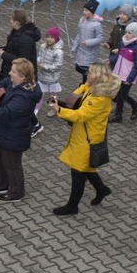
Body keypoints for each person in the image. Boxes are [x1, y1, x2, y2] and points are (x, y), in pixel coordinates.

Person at [47, 62, 121, 216]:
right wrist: (84, 85)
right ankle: (102, 189)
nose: (88, 74)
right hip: (83, 135)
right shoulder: (92, 88)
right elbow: (76, 95)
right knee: (85, 167)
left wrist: (59, 110)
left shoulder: (99, 98)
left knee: (78, 171)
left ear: (99, 77)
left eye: (91, 73)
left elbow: (80, 116)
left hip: (88, 139)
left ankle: (72, 206)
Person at [0, 58, 42, 202]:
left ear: (23, 76)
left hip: (14, 134)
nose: (9, 73)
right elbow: (3, 82)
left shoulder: (25, 95)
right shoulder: (14, 83)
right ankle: (0, 185)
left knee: (12, 164)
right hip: (1, 130)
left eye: (13, 71)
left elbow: (6, 113)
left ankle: (16, 192)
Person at [108, 22, 137, 123]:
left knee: (123, 95)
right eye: (127, 32)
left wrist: (130, 79)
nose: (127, 34)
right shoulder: (123, 42)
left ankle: (136, 106)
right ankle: (118, 115)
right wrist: (111, 60)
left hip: (127, 76)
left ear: (136, 34)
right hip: (119, 73)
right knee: (119, 94)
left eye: (130, 33)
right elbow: (120, 56)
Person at [72, 0, 104, 84]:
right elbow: (78, 34)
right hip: (81, 50)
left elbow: (100, 38)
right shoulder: (82, 20)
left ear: (92, 11)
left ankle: (86, 87)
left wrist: (88, 42)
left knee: (87, 73)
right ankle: (85, 85)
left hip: (90, 52)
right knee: (79, 68)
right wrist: (75, 47)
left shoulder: (97, 24)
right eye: (84, 10)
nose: (84, 12)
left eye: (87, 10)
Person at [36, 27, 64, 117]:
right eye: (48, 37)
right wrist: (36, 61)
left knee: (52, 95)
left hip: (52, 77)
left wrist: (45, 67)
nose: (49, 39)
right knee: (40, 93)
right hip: (42, 75)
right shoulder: (43, 46)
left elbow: (58, 65)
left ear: (56, 39)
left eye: (52, 37)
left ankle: (54, 109)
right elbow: (40, 56)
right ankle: (36, 109)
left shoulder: (59, 52)